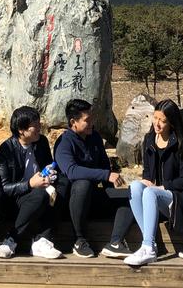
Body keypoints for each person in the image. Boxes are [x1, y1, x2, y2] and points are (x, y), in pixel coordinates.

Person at [100, 99, 183, 267]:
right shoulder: (149, 140)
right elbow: (148, 175)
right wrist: (145, 181)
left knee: (150, 192)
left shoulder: (182, 143)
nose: (157, 124)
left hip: (176, 198)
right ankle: (149, 244)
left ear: (172, 123)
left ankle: (148, 248)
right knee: (136, 187)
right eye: (155, 118)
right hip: (153, 196)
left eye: (163, 120)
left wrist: (162, 187)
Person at [53, 98, 127, 258]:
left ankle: (115, 242)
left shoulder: (94, 138)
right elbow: (72, 171)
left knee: (130, 196)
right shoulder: (64, 143)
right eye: (87, 120)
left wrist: (110, 187)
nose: (92, 123)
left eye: (92, 118)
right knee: (82, 184)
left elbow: (104, 167)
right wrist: (106, 175)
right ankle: (79, 240)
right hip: (72, 203)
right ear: (73, 122)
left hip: (93, 198)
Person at [0, 105, 64, 260]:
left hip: (41, 191)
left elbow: (48, 165)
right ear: (21, 130)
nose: (40, 128)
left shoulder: (41, 142)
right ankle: (11, 239)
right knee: (40, 195)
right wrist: (29, 184)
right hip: (16, 199)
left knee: (61, 188)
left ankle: (42, 240)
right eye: (35, 126)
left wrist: (50, 174)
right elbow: (4, 188)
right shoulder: (6, 150)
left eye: (40, 124)